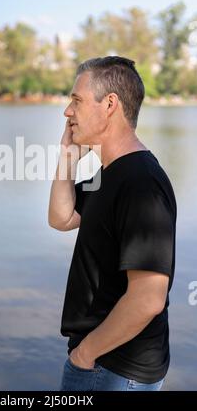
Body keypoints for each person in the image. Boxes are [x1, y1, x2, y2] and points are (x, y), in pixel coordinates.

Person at [48, 56, 177, 391]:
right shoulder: (108, 174)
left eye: (76, 100)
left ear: (109, 104)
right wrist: (67, 159)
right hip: (101, 364)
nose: (67, 112)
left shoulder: (141, 183)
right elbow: (62, 218)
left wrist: (85, 354)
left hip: (115, 371)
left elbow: (148, 298)